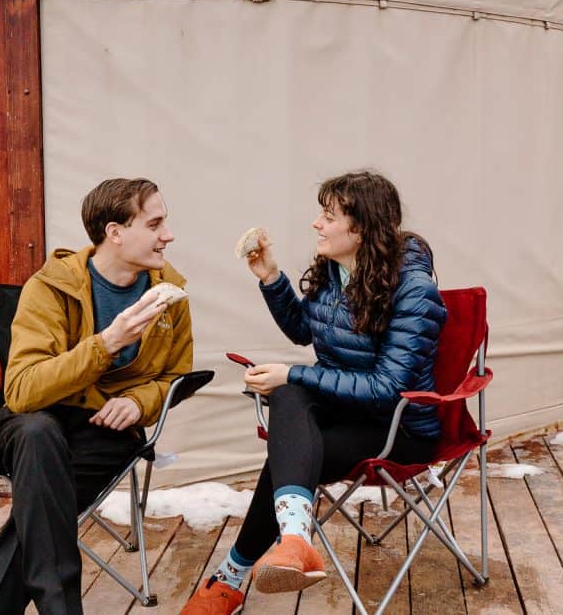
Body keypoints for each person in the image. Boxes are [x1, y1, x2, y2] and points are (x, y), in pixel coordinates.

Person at [182, 171, 445, 614]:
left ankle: (229, 578)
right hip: (345, 412)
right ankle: (293, 541)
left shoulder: (414, 291)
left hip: (398, 428)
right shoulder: (336, 274)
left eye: (328, 216)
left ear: (360, 227)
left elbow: (389, 388)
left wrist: (295, 376)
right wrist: (270, 278)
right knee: (289, 401)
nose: (316, 225)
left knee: (290, 435)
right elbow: (305, 330)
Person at [0, 178, 193, 615]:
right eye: (155, 223)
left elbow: (174, 376)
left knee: (41, 507)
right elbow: (24, 389)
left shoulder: (171, 297)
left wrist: (139, 402)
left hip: (105, 429)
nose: (168, 235)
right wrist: (107, 343)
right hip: (31, 416)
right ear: (115, 232)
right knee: (37, 434)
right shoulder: (51, 287)